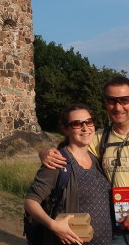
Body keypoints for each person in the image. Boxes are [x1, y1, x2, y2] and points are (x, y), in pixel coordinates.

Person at [39, 76, 129, 245]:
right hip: (119, 229)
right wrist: (43, 153)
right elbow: (70, 151)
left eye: (124, 100)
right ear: (105, 103)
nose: (118, 107)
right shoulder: (98, 139)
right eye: (111, 101)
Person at [25, 104, 112, 245]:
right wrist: (54, 226)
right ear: (65, 129)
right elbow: (30, 201)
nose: (85, 128)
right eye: (77, 124)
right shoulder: (58, 161)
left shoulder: (96, 159)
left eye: (89, 122)